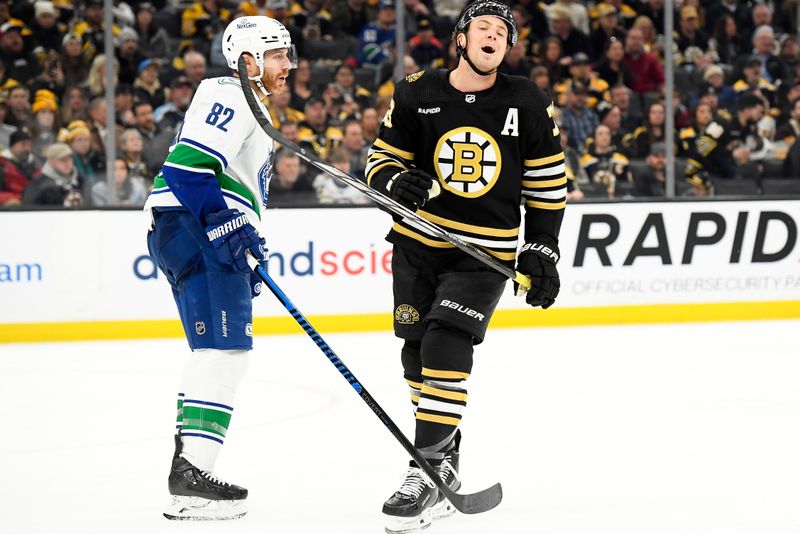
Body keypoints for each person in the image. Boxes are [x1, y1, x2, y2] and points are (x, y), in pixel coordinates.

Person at [365, 1, 565, 531]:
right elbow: (380, 159)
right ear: (461, 38)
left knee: (444, 340)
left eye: (503, 32)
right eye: (483, 27)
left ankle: (427, 470)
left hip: (485, 252)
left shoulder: (526, 99)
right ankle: (445, 451)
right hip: (417, 244)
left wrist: (543, 246)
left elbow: (547, 183)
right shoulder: (416, 92)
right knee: (415, 355)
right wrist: (391, 183)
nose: (494, 36)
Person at [143, 15, 296, 521]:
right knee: (225, 352)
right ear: (248, 60)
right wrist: (222, 225)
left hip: (189, 230)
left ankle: (188, 473)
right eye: (276, 55)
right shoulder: (231, 93)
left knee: (214, 350)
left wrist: (240, 232)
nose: (287, 65)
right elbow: (186, 168)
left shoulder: (247, 104)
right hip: (192, 227)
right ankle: (191, 474)